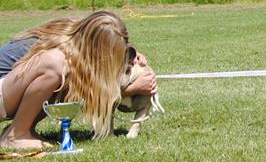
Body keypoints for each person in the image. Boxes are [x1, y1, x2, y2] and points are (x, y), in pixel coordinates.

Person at [0, 11, 157, 151]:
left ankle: (24, 129)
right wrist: (131, 89)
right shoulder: (63, 51)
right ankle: (15, 135)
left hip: (7, 91)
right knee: (54, 65)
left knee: (60, 79)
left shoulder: (79, 38)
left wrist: (130, 54)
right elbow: (86, 93)